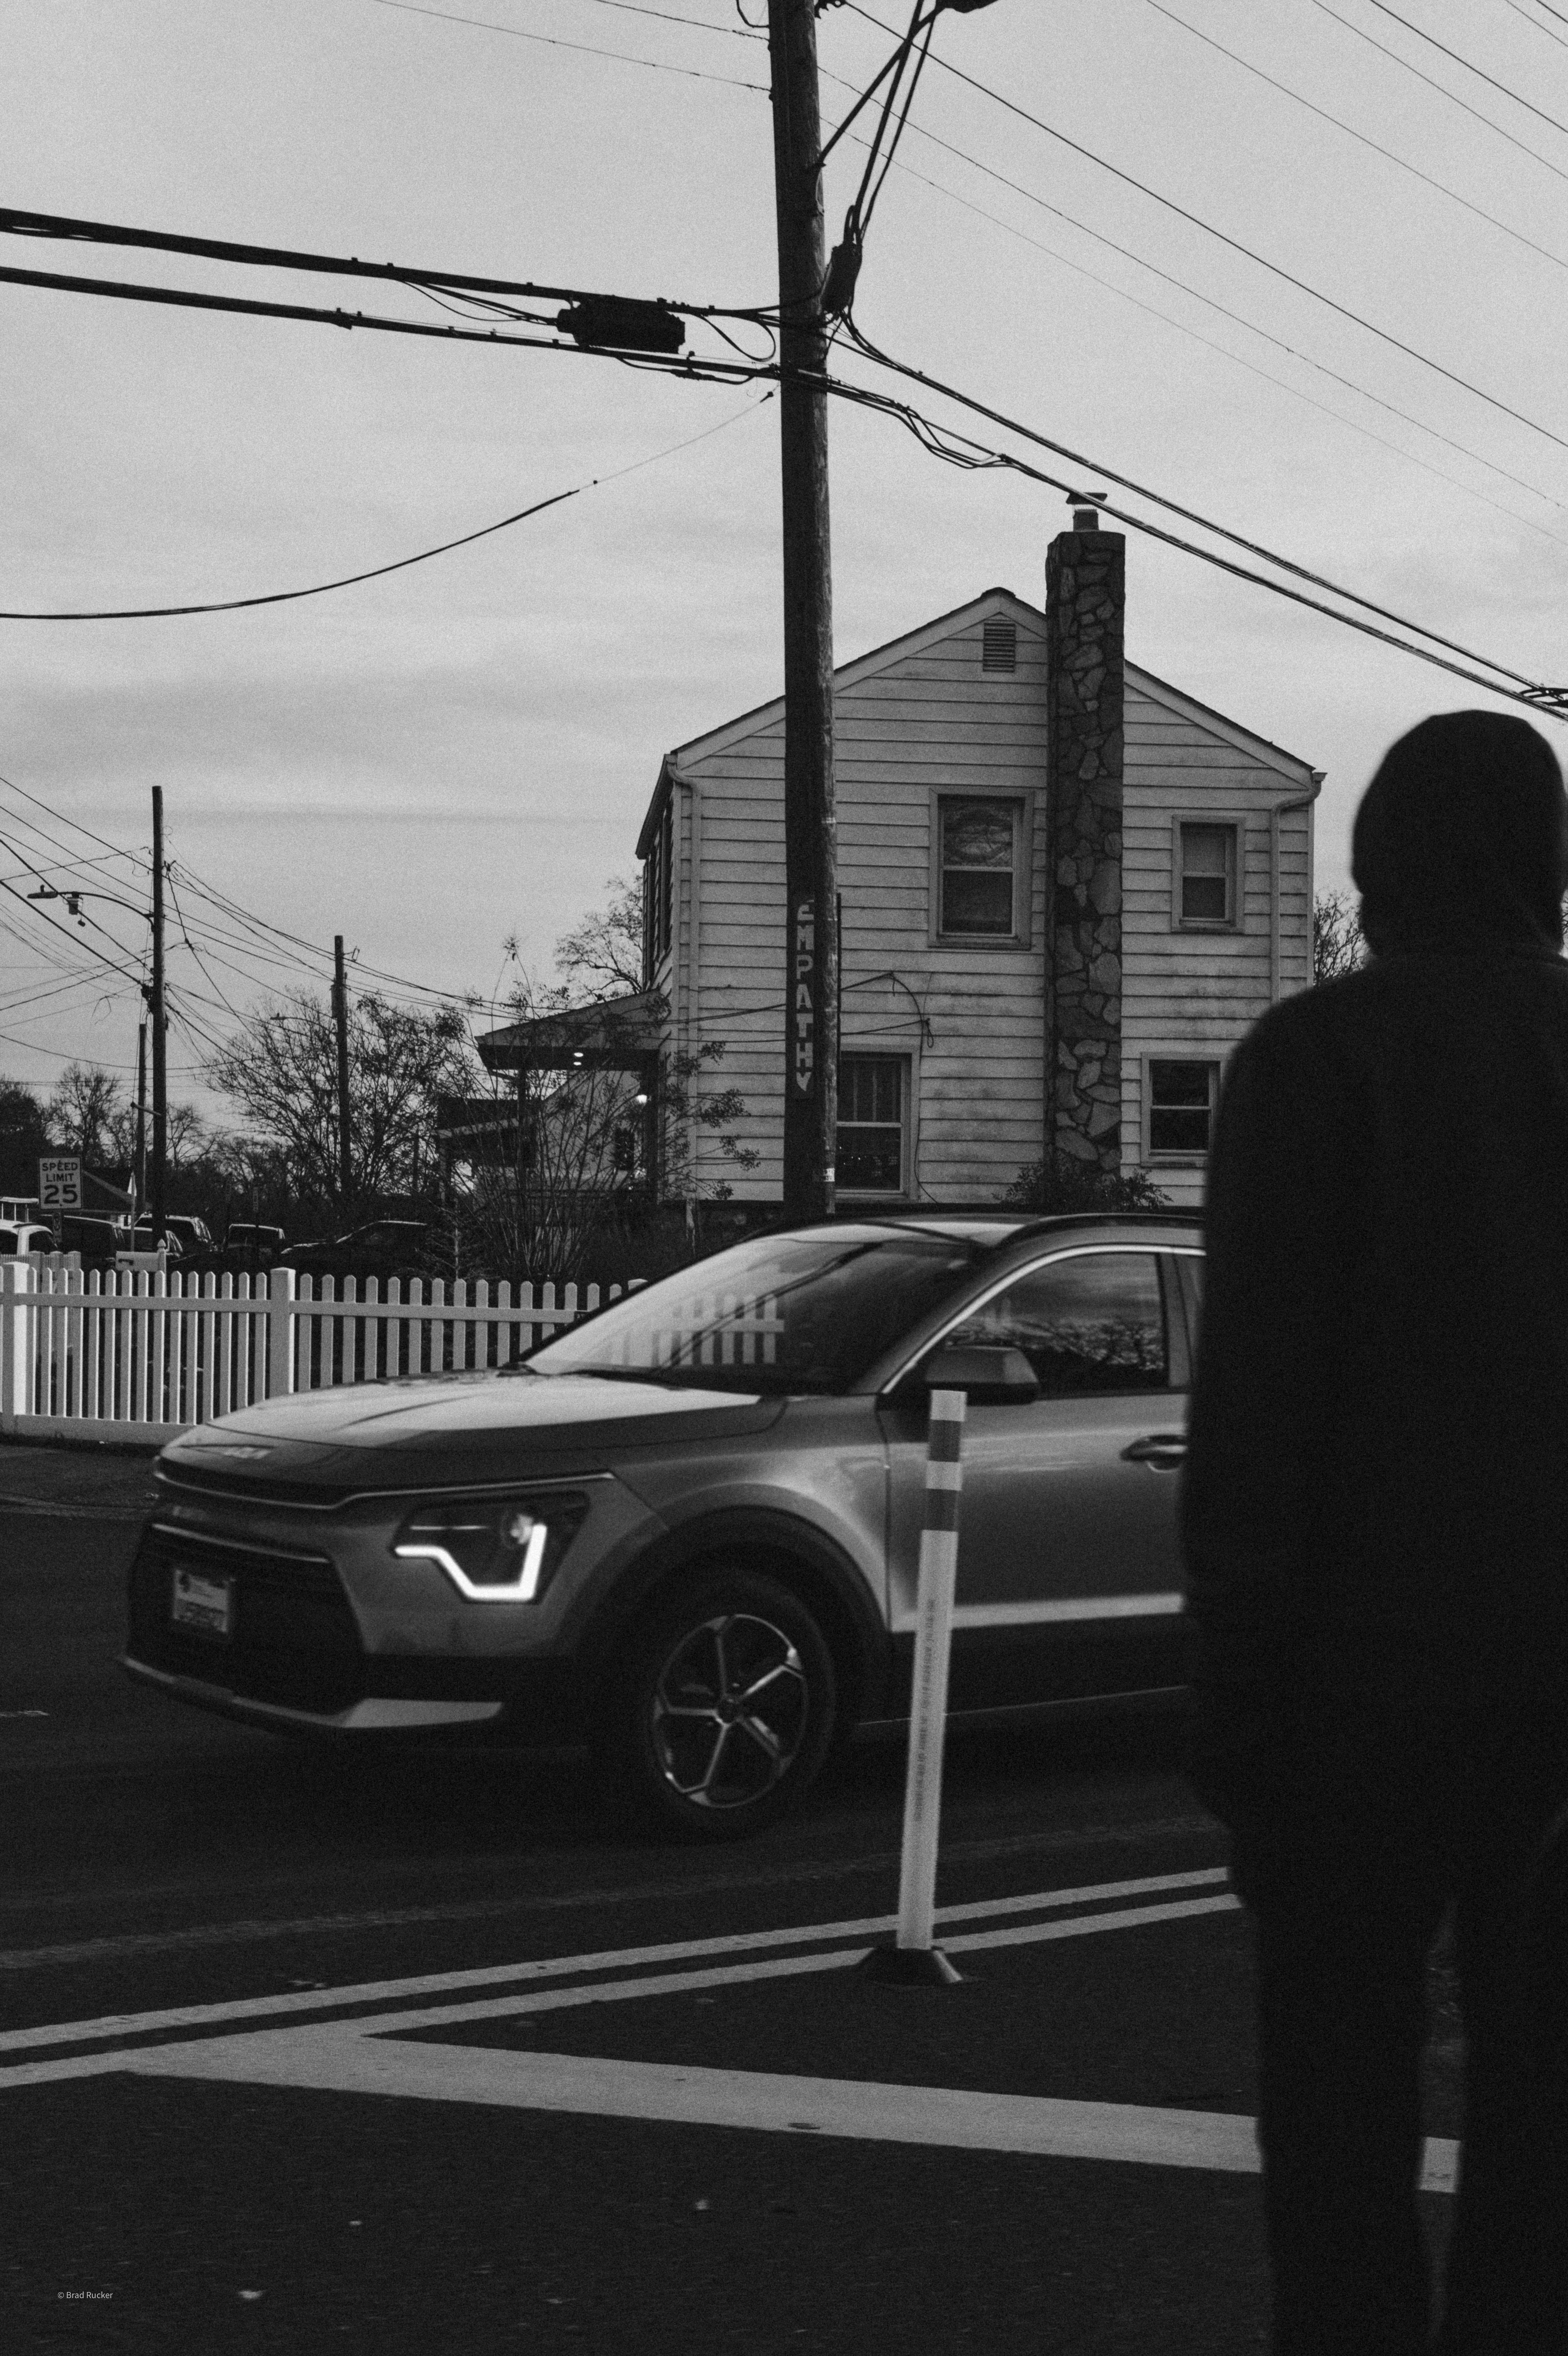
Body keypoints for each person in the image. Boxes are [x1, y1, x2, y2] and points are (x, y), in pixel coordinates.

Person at [1181, 709, 1568, 2354]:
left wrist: (1236, 1705)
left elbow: (1257, 1418)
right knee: (1549, 2131)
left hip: (1352, 1686)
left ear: (1379, 862)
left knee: (1333, 2125)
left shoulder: (1309, 1065)